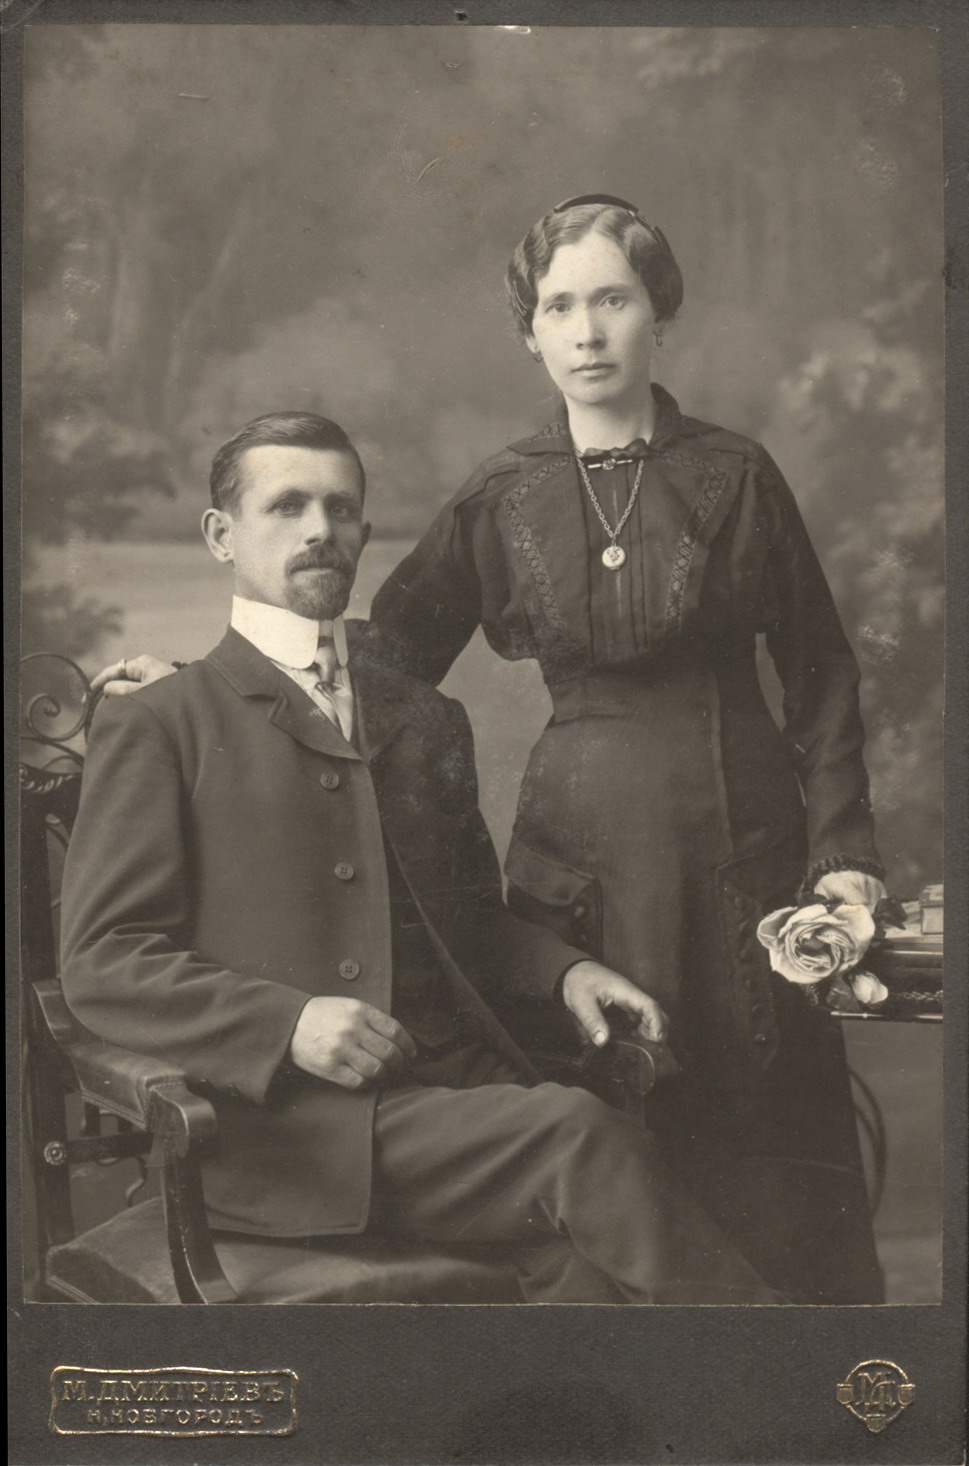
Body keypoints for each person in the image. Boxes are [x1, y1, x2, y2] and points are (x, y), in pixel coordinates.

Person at [95, 195, 886, 1303]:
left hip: (740, 838)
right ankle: (734, 1362)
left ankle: (796, 1343)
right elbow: (367, 659)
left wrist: (841, 850)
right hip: (581, 857)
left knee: (754, 1113)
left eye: (612, 300)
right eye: (559, 307)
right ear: (530, 332)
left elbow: (822, 671)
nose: (587, 331)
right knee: (607, 1109)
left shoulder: (737, 474)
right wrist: (198, 691)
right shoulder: (504, 492)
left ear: (658, 314)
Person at [61, 410, 780, 1306]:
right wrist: (287, 1023)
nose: (320, 529)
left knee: (586, 1282)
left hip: (453, 1098)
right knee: (578, 1136)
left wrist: (564, 971)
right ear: (220, 535)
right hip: (292, 1132)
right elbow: (106, 959)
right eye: (286, 506)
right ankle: (786, 1370)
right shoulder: (162, 719)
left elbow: (466, 917)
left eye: (341, 508)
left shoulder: (421, 717)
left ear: (363, 533)